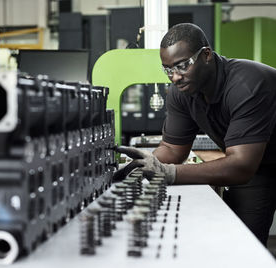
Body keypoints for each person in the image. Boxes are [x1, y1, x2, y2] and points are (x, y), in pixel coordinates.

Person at [114, 23, 276, 246]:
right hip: (259, 167)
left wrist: (170, 173)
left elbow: (240, 165)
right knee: (243, 242)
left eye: (182, 66)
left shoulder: (247, 85)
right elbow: (173, 149)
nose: (174, 77)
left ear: (206, 55)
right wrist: (143, 162)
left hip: (250, 163)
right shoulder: (182, 93)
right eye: (168, 69)